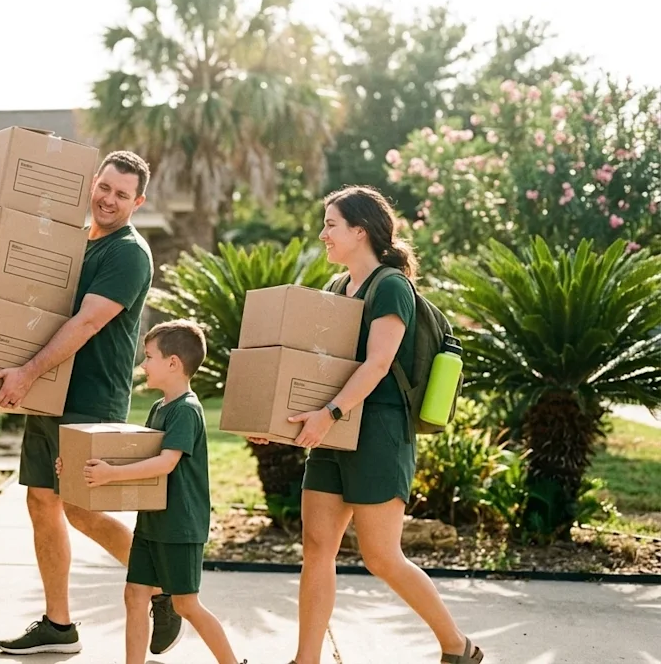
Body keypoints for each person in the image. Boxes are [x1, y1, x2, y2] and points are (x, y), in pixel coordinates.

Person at [251, 186, 484, 664]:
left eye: (331, 224)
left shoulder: (391, 287)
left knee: (381, 555)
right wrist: (275, 422)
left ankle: (457, 646)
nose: (324, 234)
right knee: (316, 547)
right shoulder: (339, 289)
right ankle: (306, 659)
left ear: (360, 231)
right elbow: (318, 370)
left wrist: (330, 413)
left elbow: (378, 363)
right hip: (336, 431)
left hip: (377, 429)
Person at [0, 151, 186, 656]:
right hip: (49, 393)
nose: (109, 199)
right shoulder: (74, 245)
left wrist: (28, 371)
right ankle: (59, 624)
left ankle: (163, 586)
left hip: (90, 394)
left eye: (122, 194)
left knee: (80, 506)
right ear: (91, 185)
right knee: (41, 501)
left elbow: (86, 323)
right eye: (105, 187)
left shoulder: (129, 253)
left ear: (137, 202)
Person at [70, 320, 247, 664]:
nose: (143, 365)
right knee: (135, 594)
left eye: (149, 356)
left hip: (180, 527)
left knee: (186, 604)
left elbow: (165, 463)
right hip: (153, 524)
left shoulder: (186, 411)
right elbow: (139, 456)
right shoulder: (160, 408)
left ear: (173, 363)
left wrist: (112, 475)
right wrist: (81, 469)